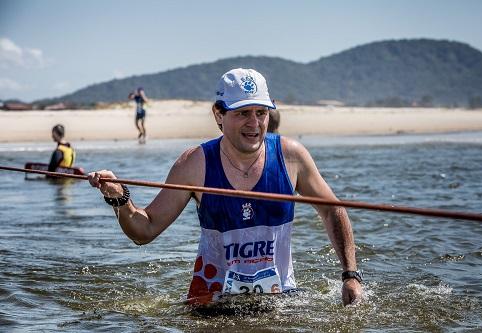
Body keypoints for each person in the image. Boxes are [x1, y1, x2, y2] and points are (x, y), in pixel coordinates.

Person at [89, 68, 363, 306]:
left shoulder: (291, 156)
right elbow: (144, 230)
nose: (254, 124)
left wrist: (351, 276)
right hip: (212, 306)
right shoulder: (195, 164)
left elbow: (332, 210)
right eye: (243, 113)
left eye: (261, 112)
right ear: (218, 114)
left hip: (280, 303)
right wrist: (120, 198)